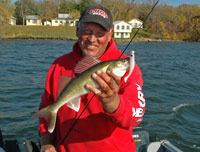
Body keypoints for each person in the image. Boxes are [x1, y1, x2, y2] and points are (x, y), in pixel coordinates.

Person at [38, 5, 146, 152]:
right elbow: (47, 109)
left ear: (110, 34)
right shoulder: (59, 65)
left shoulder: (127, 69)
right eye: (87, 31)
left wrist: (112, 101)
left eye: (100, 33)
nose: (92, 39)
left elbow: (135, 118)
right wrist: (46, 144)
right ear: (77, 30)